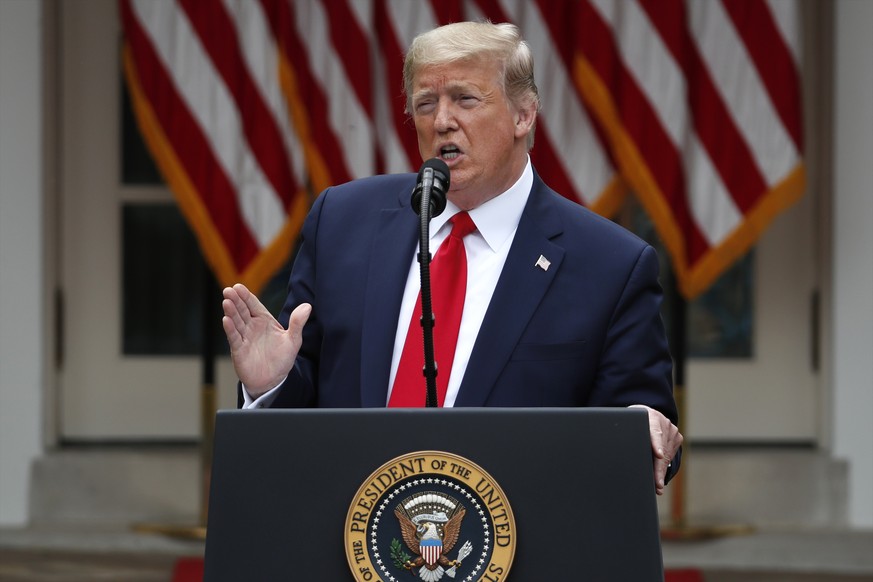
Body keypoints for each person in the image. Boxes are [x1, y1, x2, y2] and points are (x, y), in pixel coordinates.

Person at [221, 21, 683, 494]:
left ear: (524, 115)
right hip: (349, 539)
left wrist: (640, 428)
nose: (441, 120)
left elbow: (646, 426)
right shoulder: (341, 222)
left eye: (465, 99)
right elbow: (302, 407)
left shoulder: (609, 264)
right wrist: (272, 384)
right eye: (425, 103)